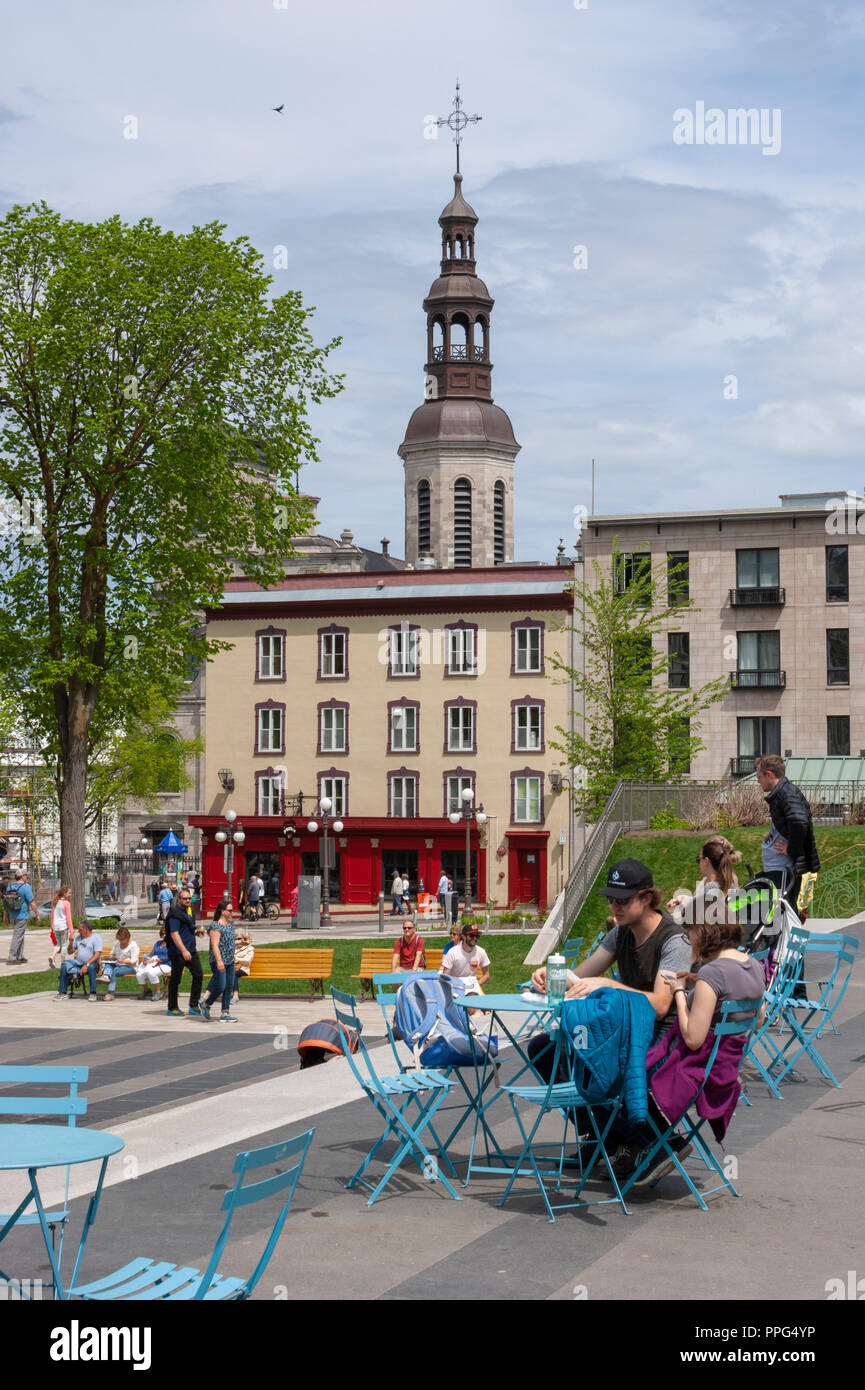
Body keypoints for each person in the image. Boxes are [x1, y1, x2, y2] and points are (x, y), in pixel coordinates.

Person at [756, 755, 820, 910]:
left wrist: (791, 849)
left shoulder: (787, 793)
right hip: (778, 870)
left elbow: (799, 821)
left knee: (782, 913)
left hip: (784, 871)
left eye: (759, 777)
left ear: (769, 774)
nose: (758, 781)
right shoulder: (781, 793)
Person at [667, 836, 742, 926]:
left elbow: (698, 919)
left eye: (699, 859)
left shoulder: (712, 888)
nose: (699, 863)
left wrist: (675, 912)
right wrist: (682, 899)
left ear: (706, 861)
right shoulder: (727, 881)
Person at [165, 884, 204, 1017]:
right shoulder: (174, 914)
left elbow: (186, 929)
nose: (188, 901)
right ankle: (172, 1007)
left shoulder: (188, 912)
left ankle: (193, 1005)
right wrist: (183, 950)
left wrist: (196, 932)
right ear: (179, 900)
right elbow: (174, 934)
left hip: (191, 950)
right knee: (176, 979)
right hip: (178, 952)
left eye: (189, 898)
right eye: (185, 899)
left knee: (198, 974)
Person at [200, 901, 238, 1022]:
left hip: (230, 960)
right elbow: (215, 945)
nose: (232, 912)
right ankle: (206, 1004)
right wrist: (219, 961)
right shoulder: (215, 926)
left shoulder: (230, 925)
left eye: (232, 910)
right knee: (221, 986)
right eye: (230, 910)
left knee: (229, 986)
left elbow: (229, 942)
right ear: (222, 911)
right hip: (219, 961)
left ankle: (225, 1012)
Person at [53, 921, 103, 1000]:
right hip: (78, 963)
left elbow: (97, 955)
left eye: (80, 929)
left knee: (91, 968)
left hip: (92, 964)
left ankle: (93, 993)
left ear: (86, 929)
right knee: (64, 964)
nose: (78, 931)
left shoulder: (96, 937)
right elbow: (70, 952)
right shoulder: (78, 938)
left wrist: (87, 964)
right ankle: (62, 992)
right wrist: (71, 942)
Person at [440, 924, 490, 991]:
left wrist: (475, 985)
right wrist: (453, 986)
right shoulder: (452, 952)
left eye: (477, 936)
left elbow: (486, 975)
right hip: (454, 985)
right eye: (471, 936)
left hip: (471, 985)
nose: (475, 938)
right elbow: (445, 975)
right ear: (463, 936)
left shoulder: (481, 952)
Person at [4, 869, 37, 965]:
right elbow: (32, 902)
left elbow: (6, 902)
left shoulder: (10, 886)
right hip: (22, 915)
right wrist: (37, 914)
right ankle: (12, 958)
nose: (26, 877)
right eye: (26, 875)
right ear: (22, 876)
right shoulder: (26, 887)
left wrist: (5, 916)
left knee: (20, 935)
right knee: (17, 936)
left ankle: (19, 956)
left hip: (12, 915)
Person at [99, 927, 141, 999]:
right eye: (119, 939)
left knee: (114, 971)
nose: (120, 941)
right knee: (108, 965)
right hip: (117, 964)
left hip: (130, 967)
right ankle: (105, 977)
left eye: (122, 939)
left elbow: (134, 961)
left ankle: (110, 993)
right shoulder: (117, 943)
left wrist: (123, 961)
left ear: (127, 937)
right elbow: (112, 953)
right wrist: (110, 957)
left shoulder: (133, 945)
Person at [136, 925, 171, 1000]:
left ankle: (158, 992)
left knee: (151, 972)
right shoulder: (158, 943)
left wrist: (155, 960)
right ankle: (147, 991)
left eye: (166, 933)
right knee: (139, 974)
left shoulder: (172, 944)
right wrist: (146, 959)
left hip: (167, 964)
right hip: (154, 963)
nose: (164, 935)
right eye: (162, 933)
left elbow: (168, 957)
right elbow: (152, 954)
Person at [49, 885, 73, 969]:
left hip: (56, 927)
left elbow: (52, 916)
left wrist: (52, 927)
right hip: (63, 927)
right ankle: (63, 963)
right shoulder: (66, 903)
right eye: (69, 893)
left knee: (58, 945)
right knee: (64, 945)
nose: (70, 894)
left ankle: (52, 956)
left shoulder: (55, 902)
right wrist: (71, 931)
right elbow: (68, 918)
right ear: (64, 893)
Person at [232, 929, 254, 1003]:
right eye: (235, 939)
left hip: (243, 969)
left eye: (239, 939)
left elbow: (247, 960)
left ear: (244, 939)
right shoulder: (233, 948)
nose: (237, 941)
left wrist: (235, 958)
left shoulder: (249, 949)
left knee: (233, 974)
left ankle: (235, 995)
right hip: (233, 968)